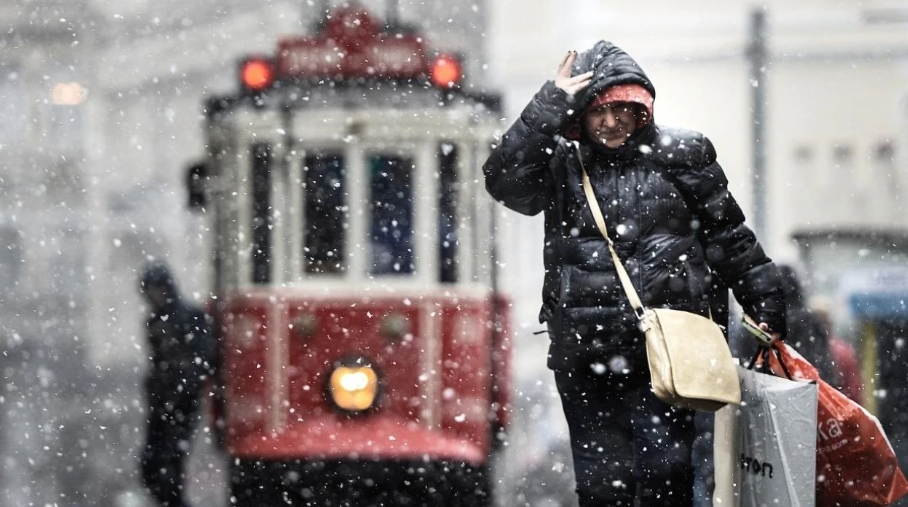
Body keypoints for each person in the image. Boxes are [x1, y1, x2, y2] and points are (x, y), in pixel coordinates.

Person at [483, 41, 786, 507]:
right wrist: (551, 101)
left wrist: (765, 302)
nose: (610, 122)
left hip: (670, 352)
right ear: (579, 114)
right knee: (604, 487)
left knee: (668, 477)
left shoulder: (684, 153)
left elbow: (730, 237)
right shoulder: (565, 162)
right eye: (598, 111)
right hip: (586, 354)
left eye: (622, 108)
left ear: (641, 107)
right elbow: (504, 181)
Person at [138, 262, 216, 507]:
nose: (154, 296)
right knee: (152, 465)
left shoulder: (187, 316)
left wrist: (186, 381)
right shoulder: (154, 320)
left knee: (170, 465)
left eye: (157, 289)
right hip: (162, 400)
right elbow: (158, 360)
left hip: (181, 401)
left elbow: (206, 356)